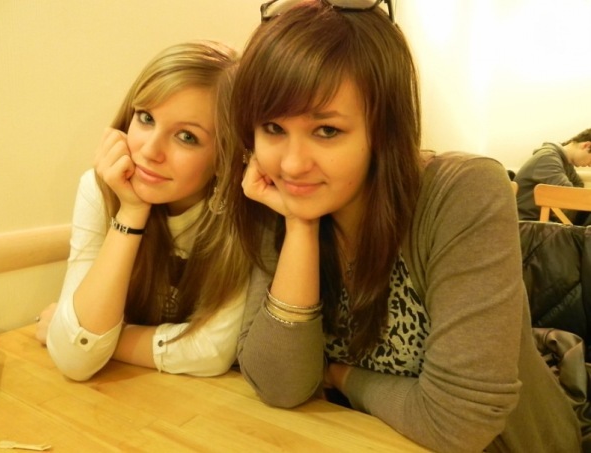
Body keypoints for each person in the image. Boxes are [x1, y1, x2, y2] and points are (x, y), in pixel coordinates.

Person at [228, 1, 582, 452]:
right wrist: (299, 224)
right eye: (273, 128)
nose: (292, 164)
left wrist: (341, 375)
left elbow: (459, 423)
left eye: (327, 131)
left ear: (383, 128)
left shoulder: (462, 191)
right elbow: (279, 385)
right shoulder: (279, 200)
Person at [36, 41, 251, 382]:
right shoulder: (99, 190)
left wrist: (98, 341)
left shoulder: (248, 214)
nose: (150, 151)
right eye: (146, 118)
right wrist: (131, 212)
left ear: (225, 156)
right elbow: (75, 362)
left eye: (186, 137)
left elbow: (211, 351)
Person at [515, 128, 591, 224]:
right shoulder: (547, 158)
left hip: (540, 221)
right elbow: (569, 194)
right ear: (586, 146)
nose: (590, 165)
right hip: (526, 223)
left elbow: (578, 186)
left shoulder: (565, 163)